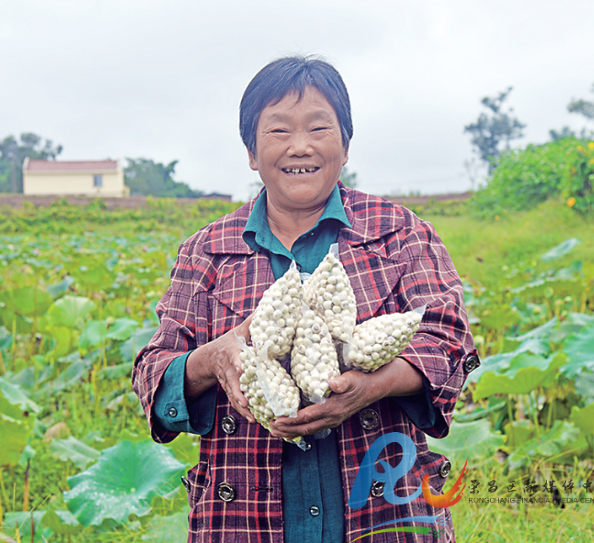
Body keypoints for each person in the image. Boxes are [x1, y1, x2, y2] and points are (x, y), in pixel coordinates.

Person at [132, 55, 479, 543]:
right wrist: (212, 360)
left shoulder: (399, 233)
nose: (300, 146)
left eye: (318, 127)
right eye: (278, 131)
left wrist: (374, 384)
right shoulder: (207, 251)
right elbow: (152, 373)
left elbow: (450, 340)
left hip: (384, 518)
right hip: (242, 520)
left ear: (345, 143)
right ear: (252, 152)